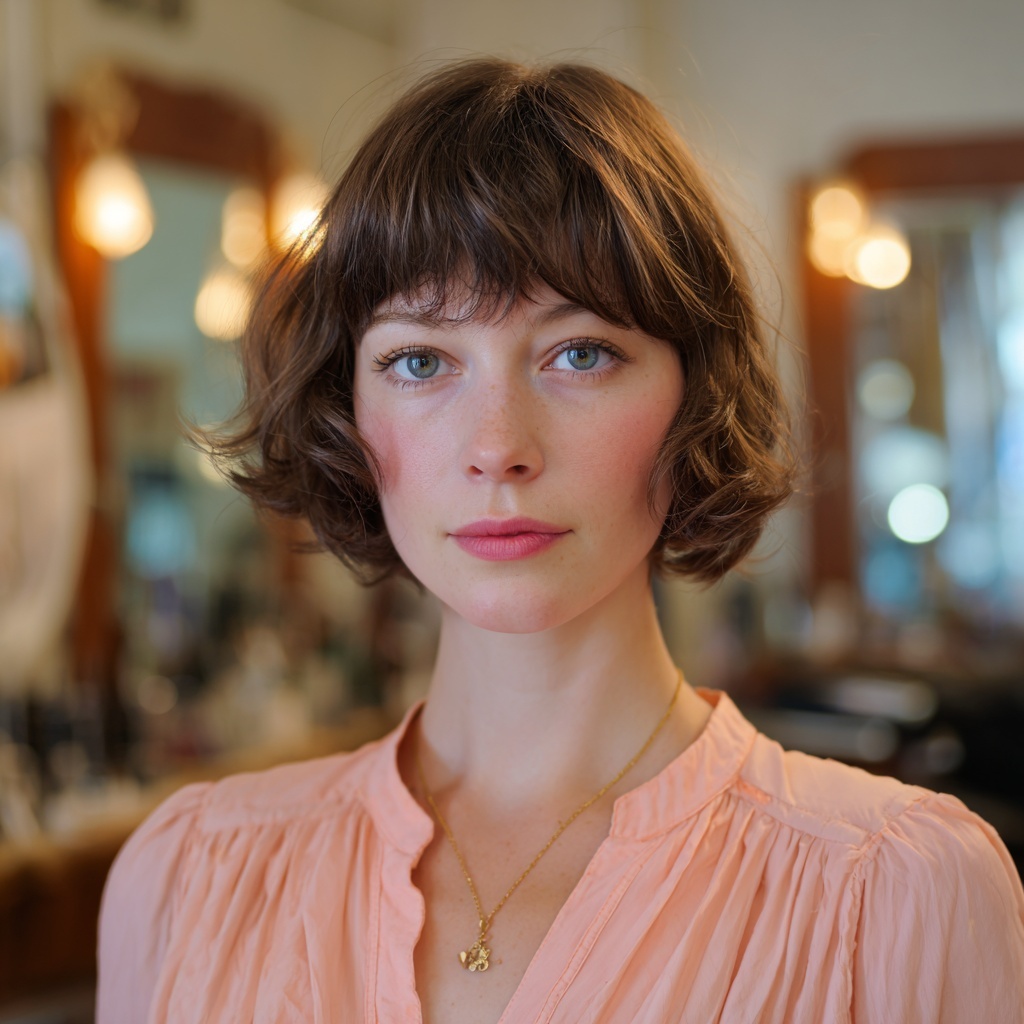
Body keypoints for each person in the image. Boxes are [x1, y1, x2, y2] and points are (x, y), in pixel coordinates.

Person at [95, 58, 1024, 1023]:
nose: (499, 447)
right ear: (348, 414)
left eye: (579, 354)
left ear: (692, 399)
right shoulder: (188, 878)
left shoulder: (895, 894)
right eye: (420, 361)